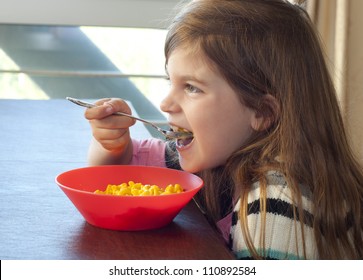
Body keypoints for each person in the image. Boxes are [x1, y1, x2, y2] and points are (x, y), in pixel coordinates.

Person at [84, 0, 363, 259]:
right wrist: (114, 144)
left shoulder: (276, 209)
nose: (166, 103)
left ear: (262, 112)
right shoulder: (226, 156)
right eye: (171, 80)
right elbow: (126, 170)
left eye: (192, 87)